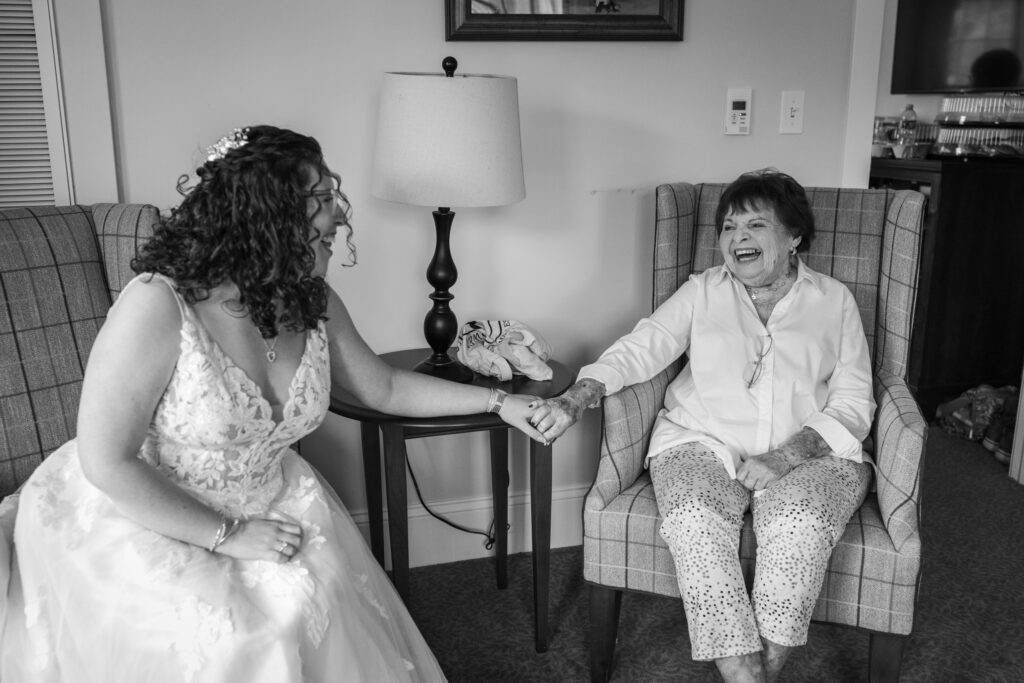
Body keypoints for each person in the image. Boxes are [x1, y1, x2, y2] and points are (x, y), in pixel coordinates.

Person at [0, 125, 547, 682]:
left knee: (311, 611)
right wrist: (229, 536)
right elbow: (106, 461)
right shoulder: (157, 305)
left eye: (332, 197)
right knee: (237, 642)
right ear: (264, 216)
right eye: (321, 201)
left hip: (274, 501)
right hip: (146, 510)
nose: (338, 218)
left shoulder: (312, 298)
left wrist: (501, 403)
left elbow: (383, 388)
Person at [529, 169, 875, 683]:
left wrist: (786, 456)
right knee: (692, 517)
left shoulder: (834, 301)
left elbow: (853, 400)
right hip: (700, 440)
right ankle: (747, 677)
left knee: (799, 523)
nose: (737, 240)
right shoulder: (703, 291)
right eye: (729, 227)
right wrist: (579, 396)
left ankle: (757, 675)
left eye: (755, 225)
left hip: (809, 451)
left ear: (794, 236)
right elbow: (643, 347)